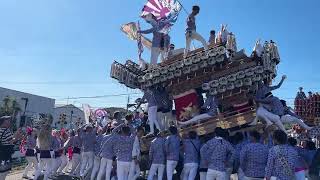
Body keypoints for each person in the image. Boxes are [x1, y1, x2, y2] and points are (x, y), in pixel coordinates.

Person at [0, 116, 22, 180]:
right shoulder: (6, 130)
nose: (10, 122)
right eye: (8, 120)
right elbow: (11, 141)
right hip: (5, 155)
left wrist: (16, 136)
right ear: (4, 122)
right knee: (3, 173)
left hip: (1, 152)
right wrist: (17, 135)